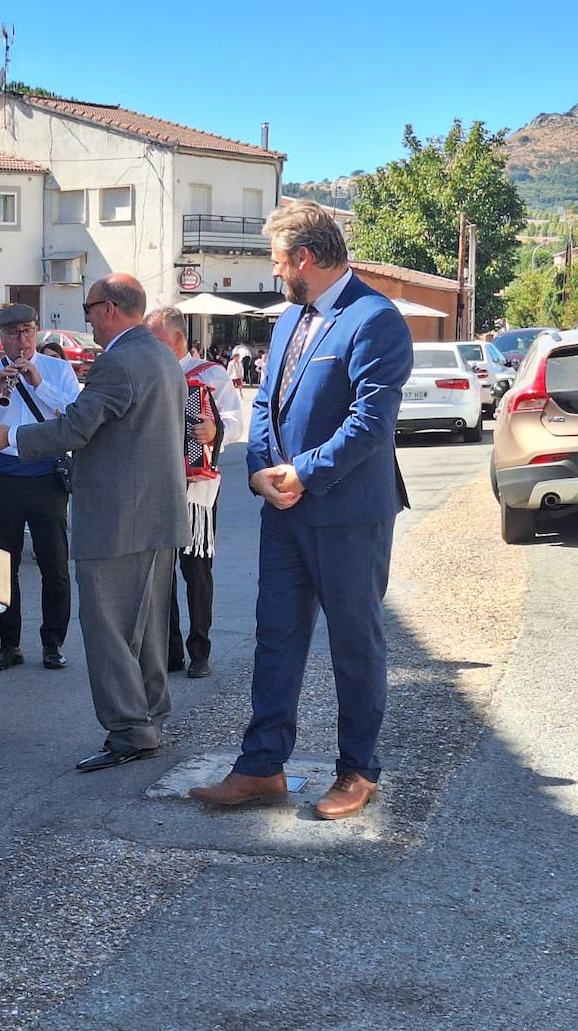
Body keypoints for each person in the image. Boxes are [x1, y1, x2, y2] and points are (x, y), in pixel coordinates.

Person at [190, 201, 413, 820]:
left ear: (304, 259)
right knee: (277, 638)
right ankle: (262, 767)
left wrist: (304, 472)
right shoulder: (290, 318)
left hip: (349, 514)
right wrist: (264, 470)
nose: (274, 269)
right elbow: (265, 404)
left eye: (276, 259)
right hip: (284, 512)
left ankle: (357, 771)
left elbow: (372, 421)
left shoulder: (375, 319)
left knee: (355, 643)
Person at [0, 274, 187, 773]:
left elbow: (75, 426)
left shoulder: (118, 361)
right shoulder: (161, 354)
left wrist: (10, 437)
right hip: (152, 513)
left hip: (117, 518)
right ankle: (149, 717)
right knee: (147, 627)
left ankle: (130, 729)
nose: (86, 317)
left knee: (110, 630)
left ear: (110, 308)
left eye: (89, 307)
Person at [0, 303, 80, 671]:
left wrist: (37, 384)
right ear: (1, 337)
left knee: (55, 564)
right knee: (2, 563)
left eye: (28, 331)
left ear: (37, 331)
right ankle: (8, 642)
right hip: (1, 477)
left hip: (46, 475)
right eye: (13, 333)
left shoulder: (59, 371)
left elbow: (74, 417)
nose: (22, 340)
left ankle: (53, 642)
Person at [146, 306, 244, 680]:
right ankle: (169, 650)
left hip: (197, 487)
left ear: (177, 339)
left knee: (197, 568)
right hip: (158, 482)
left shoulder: (210, 376)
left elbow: (235, 420)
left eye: (156, 341)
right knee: (161, 571)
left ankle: (199, 650)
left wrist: (214, 431)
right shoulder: (151, 374)